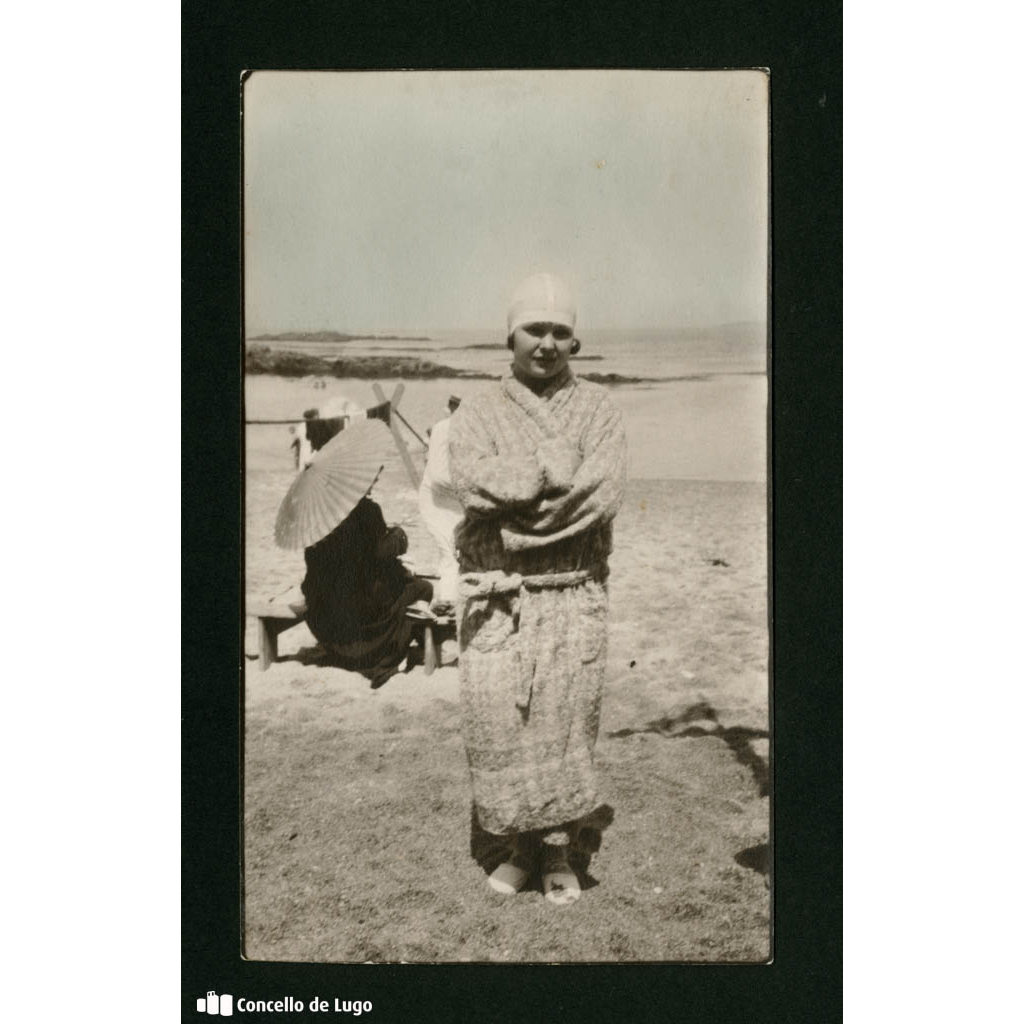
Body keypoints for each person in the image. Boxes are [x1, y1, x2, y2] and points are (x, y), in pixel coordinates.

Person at [448, 272, 627, 905]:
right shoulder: (477, 412)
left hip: (573, 595)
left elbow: (597, 497)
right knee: (501, 725)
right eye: (535, 329)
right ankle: (518, 847)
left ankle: (558, 850)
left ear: (575, 340)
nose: (546, 343)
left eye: (560, 331)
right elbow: (469, 482)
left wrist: (517, 508)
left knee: (565, 727)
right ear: (510, 335)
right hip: (499, 600)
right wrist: (552, 470)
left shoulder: (600, 410)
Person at [300, 496, 433, 688]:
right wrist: (398, 536)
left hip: (325, 621)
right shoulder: (367, 510)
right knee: (423, 589)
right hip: (363, 618)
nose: (376, 478)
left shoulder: (316, 511)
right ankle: (387, 655)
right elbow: (378, 562)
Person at [418, 395, 464, 613]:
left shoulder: (469, 429)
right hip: (438, 500)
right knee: (450, 552)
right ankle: (448, 600)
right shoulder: (443, 428)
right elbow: (438, 475)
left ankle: (454, 598)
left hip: (457, 500)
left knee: (458, 553)